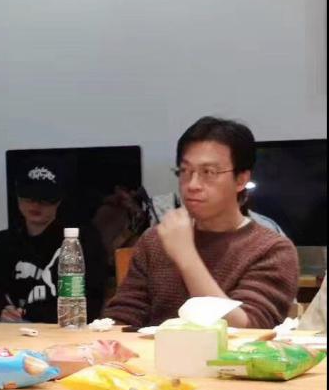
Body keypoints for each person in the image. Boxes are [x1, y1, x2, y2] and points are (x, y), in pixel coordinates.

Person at [105, 117, 299, 328]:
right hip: (155, 350)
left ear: (241, 179)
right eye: (185, 171)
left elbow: (247, 328)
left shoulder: (272, 249)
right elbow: (123, 317)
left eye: (209, 172)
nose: (192, 185)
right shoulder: (156, 240)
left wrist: (186, 255)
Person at [0, 162, 107, 323]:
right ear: (18, 197)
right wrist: (2, 310)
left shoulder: (82, 242)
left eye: (45, 199)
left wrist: (31, 316)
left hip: (62, 328)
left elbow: (90, 301)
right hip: (9, 330)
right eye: (28, 197)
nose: (36, 204)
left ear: (59, 200)